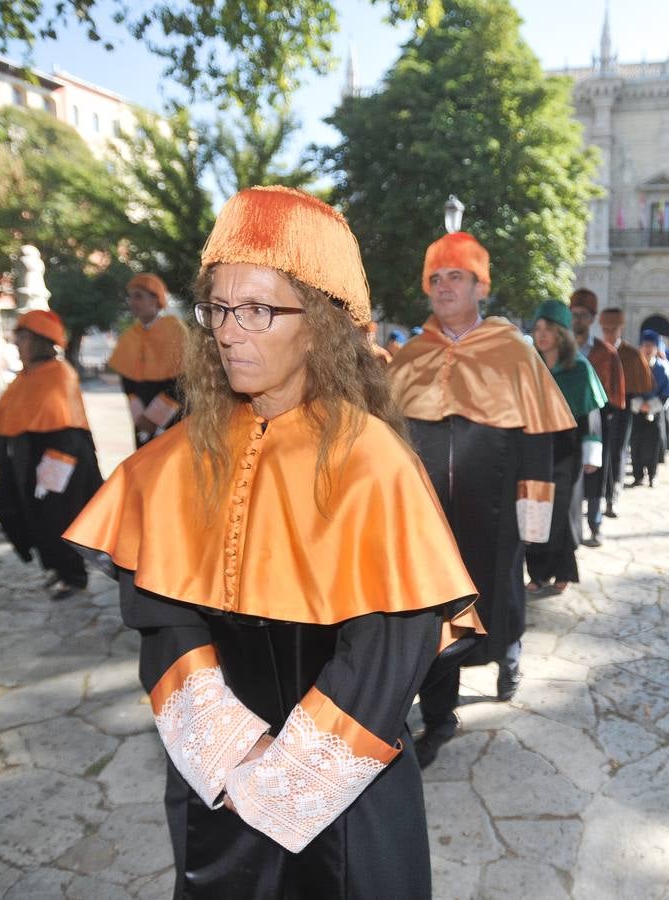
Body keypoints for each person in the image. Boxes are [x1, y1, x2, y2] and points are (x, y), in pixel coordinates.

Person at [64, 186, 480, 897]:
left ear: (319, 324)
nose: (228, 332)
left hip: (344, 781)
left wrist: (286, 773)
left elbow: (390, 646)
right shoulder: (174, 457)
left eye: (257, 309)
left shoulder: (371, 462)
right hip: (215, 774)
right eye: (218, 309)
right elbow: (161, 615)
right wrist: (227, 745)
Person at [388, 230, 573, 766]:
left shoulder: (512, 351)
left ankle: (508, 656)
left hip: (496, 515)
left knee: (500, 600)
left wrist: (533, 516)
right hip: (427, 521)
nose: (444, 288)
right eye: (436, 279)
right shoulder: (412, 356)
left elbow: (539, 438)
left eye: (456, 278)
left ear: (479, 285)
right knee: (433, 614)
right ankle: (439, 715)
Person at [0, 310, 103, 599]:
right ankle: (55, 567)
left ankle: (73, 575)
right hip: (30, 461)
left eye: (23, 338)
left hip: (59, 460)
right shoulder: (25, 377)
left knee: (60, 516)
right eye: (18, 338)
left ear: (39, 341)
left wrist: (49, 475)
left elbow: (65, 427)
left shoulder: (59, 372)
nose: (18, 344)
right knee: (36, 517)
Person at [526, 300, 606, 594]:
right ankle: (536, 571)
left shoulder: (579, 369)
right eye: (537, 328)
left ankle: (562, 570)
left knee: (560, 509)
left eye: (548, 329)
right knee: (534, 507)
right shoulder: (528, 367)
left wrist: (591, 450)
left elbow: (590, 415)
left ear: (562, 332)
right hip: (533, 446)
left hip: (566, 448)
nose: (542, 334)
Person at [107, 273, 188, 449]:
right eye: (131, 297)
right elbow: (128, 386)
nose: (133, 302)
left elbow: (182, 381)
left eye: (139, 296)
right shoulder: (130, 336)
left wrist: (154, 417)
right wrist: (140, 417)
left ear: (155, 299)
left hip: (173, 413)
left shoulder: (174, 330)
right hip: (141, 415)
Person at [570, 289, 624, 546]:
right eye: (574, 315)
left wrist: (603, 421)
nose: (577, 320)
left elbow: (615, 392)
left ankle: (595, 524)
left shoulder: (606, 353)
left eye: (583, 315)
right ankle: (571, 528)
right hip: (565, 421)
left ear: (592, 319)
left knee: (595, 474)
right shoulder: (559, 350)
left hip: (597, 421)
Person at [599, 308, 653, 516]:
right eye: (605, 330)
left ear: (620, 329)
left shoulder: (632, 354)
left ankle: (613, 495)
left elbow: (644, 385)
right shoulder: (596, 352)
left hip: (623, 411)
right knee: (600, 453)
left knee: (617, 452)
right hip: (599, 411)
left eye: (613, 330)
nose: (609, 334)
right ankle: (599, 495)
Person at [628, 331, 669, 487]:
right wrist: (640, 404)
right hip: (637, 410)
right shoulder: (633, 367)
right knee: (636, 443)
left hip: (655, 411)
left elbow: (667, 391)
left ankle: (652, 475)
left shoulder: (662, 368)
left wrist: (651, 406)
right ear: (641, 347)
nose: (648, 349)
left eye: (651, 346)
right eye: (645, 345)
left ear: (656, 348)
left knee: (653, 444)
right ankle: (638, 475)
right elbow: (628, 389)